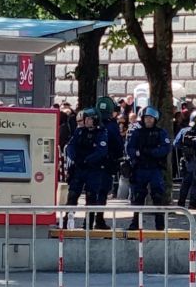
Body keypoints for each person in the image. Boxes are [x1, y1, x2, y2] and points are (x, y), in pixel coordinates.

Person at [126, 106, 172, 231]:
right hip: (140, 168)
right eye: (146, 118)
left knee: (158, 196)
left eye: (151, 118)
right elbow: (129, 148)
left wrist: (151, 152)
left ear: (155, 119)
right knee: (138, 196)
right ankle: (135, 223)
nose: (148, 120)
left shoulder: (161, 133)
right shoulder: (137, 133)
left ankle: (160, 225)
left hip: (154, 168)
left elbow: (165, 148)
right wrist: (137, 154)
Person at [64, 109, 109, 229]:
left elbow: (101, 151)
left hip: (93, 169)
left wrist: (87, 160)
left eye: (89, 119)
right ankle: (66, 222)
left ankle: (88, 224)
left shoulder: (101, 133)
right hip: (79, 169)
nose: (87, 121)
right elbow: (71, 146)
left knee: (91, 197)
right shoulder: (79, 132)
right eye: (86, 119)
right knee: (73, 195)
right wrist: (74, 157)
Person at [93, 97, 124, 230]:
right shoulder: (112, 125)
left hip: (91, 164)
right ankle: (98, 220)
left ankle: (86, 222)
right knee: (102, 193)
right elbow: (118, 145)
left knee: (91, 192)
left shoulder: (91, 122)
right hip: (105, 164)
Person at [175, 110, 196, 208]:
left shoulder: (184, 130)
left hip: (188, 159)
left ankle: (182, 202)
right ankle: (192, 203)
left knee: (186, 182)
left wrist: (184, 148)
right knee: (195, 182)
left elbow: (176, 143)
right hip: (195, 159)